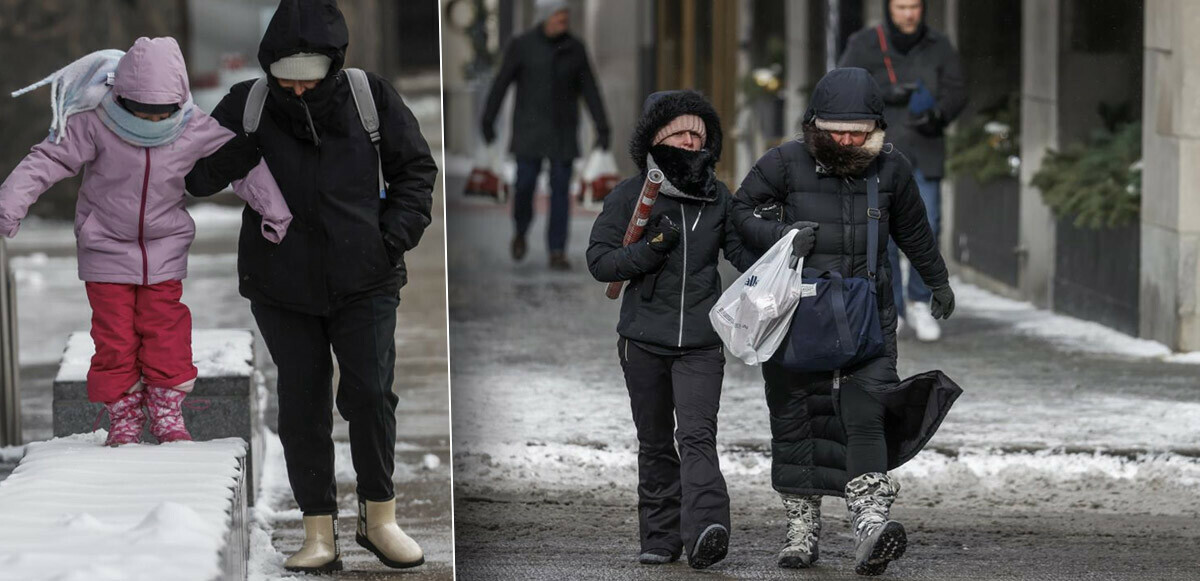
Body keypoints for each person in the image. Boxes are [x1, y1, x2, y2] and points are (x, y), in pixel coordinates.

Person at [185, 0, 437, 573]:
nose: (297, 91)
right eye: (285, 80)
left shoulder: (370, 97)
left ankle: (380, 519)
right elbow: (196, 177)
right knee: (303, 407)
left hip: (366, 279)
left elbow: (416, 170)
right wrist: (233, 150)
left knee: (371, 395)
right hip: (281, 286)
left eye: (309, 80)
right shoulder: (248, 105)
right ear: (269, 67)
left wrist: (389, 238)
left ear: (331, 65)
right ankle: (317, 530)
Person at [0, 37, 291, 447]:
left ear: (178, 102)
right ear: (121, 98)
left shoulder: (192, 126)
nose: (152, 123)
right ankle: (123, 414)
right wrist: (9, 205)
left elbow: (241, 165)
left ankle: (167, 411)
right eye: (142, 112)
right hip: (104, 248)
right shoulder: (94, 121)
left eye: (161, 114)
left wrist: (275, 212)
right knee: (114, 337)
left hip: (164, 250)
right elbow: (46, 159)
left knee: (165, 332)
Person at [731, 68, 956, 575]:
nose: (848, 140)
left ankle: (870, 525)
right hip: (795, 315)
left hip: (869, 319)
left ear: (876, 127)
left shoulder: (891, 170)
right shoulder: (783, 163)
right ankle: (800, 530)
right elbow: (740, 215)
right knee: (797, 419)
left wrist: (936, 282)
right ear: (815, 125)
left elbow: (916, 232)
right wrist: (785, 235)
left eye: (858, 131)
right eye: (837, 131)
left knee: (867, 412)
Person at [587, 90, 754, 570]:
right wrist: (651, 249)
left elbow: (742, 256)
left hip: (701, 345)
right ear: (657, 139)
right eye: (681, 132)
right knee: (656, 441)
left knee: (698, 436)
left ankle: (705, 529)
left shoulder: (718, 198)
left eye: (698, 134)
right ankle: (660, 537)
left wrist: (778, 246)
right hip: (642, 341)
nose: (690, 140)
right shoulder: (629, 195)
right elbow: (600, 262)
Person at [838, 0, 966, 341]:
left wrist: (938, 115)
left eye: (914, 6)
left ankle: (920, 301)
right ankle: (890, 305)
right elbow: (846, 87)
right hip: (880, 151)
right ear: (888, 8)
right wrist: (884, 94)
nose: (908, 14)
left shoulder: (939, 45)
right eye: (901, 6)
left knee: (930, 225)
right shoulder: (865, 43)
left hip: (925, 149)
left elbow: (957, 91)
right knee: (882, 233)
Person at [482, 0, 610, 270]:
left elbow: (591, 90)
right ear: (544, 17)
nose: (564, 22)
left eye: (566, 17)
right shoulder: (522, 45)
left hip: (563, 132)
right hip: (529, 130)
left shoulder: (575, 48)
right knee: (525, 185)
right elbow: (501, 83)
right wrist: (488, 118)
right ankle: (520, 229)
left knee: (561, 192)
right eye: (559, 17)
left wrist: (602, 126)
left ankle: (557, 250)